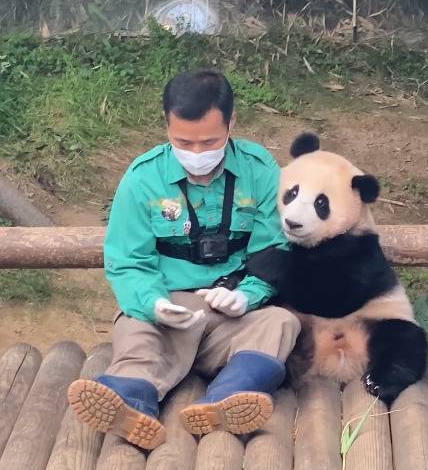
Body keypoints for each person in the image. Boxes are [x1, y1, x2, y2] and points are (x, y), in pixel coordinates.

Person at [68, 70, 300, 450]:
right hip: (168, 308)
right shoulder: (142, 178)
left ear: (232, 123)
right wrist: (153, 303)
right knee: (136, 332)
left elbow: (274, 247)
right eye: (183, 142)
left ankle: (226, 398)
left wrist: (248, 295)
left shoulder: (259, 170)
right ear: (167, 127)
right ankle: (130, 400)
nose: (196, 153)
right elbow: (127, 260)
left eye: (209, 141)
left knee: (280, 322)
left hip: (231, 312)